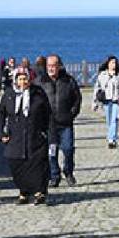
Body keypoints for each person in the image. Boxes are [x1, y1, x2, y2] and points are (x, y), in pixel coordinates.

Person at [0, 68, 52, 205]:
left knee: (37, 164)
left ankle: (40, 192)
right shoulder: (9, 94)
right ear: (15, 80)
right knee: (17, 164)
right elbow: (0, 114)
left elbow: (48, 113)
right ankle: (23, 191)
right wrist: (1, 133)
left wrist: (47, 132)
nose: (23, 82)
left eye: (25, 79)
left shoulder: (38, 93)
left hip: (35, 135)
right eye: (20, 79)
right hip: (15, 136)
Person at [35, 54, 81, 185]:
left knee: (68, 149)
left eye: (54, 66)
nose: (51, 68)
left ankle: (68, 172)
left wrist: (72, 113)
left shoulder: (68, 80)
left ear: (59, 66)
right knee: (51, 152)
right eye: (49, 66)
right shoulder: (40, 82)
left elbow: (77, 99)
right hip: (49, 125)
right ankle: (54, 175)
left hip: (65, 123)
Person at [92, 55, 119, 149]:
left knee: (114, 120)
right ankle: (113, 138)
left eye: (115, 63)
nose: (114, 64)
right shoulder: (102, 75)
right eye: (112, 62)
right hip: (106, 101)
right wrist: (94, 102)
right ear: (108, 64)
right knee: (109, 121)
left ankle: (111, 139)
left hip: (117, 101)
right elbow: (97, 88)